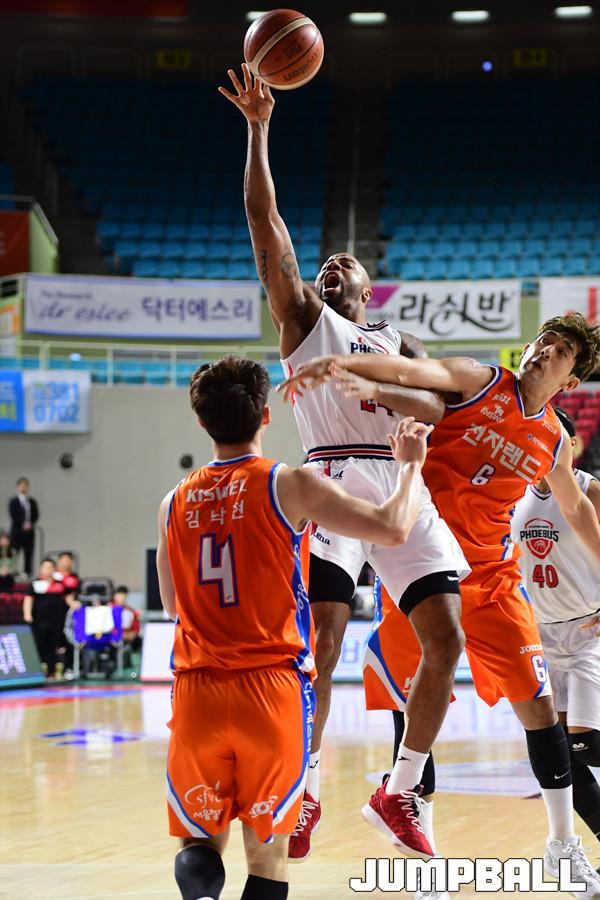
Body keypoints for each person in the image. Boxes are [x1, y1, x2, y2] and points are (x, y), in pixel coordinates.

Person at [219, 63, 469, 862]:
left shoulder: (401, 344)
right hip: (329, 483)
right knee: (321, 646)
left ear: (369, 286)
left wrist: (378, 387)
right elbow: (265, 224)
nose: (331, 268)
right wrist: (259, 129)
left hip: (400, 479)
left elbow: (439, 409)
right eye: (324, 264)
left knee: (447, 641)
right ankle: (306, 790)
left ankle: (400, 789)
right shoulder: (304, 319)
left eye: (345, 265)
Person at [282, 313, 600, 890]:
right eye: (542, 341)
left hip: (493, 579)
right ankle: (408, 831)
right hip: (423, 567)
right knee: (412, 702)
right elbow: (414, 371)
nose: (543, 351)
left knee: (539, 709)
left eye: (559, 351)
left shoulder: (554, 438)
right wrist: (342, 363)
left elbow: (577, 509)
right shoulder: (482, 379)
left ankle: (562, 845)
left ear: (571, 380)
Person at [156, 355, 432, 900]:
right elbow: (393, 528)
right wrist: (409, 466)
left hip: (197, 690)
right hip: (270, 689)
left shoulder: (173, 501)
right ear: (265, 415)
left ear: (201, 422)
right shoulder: (289, 484)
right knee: (267, 856)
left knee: (198, 842)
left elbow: (172, 606)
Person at [511, 405, 600, 848]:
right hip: (541, 633)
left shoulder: (589, 490)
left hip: (588, 629)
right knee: (562, 755)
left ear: (571, 446)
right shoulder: (512, 494)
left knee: (585, 744)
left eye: (552, 440)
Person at [23, 557, 70, 678]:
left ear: (54, 569)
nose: (47, 569)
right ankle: (35, 672)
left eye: (50, 567)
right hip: (39, 622)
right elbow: (28, 600)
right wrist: (27, 614)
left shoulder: (60, 584)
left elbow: (68, 598)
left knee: (53, 646)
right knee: (39, 645)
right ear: (41, 569)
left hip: (56, 621)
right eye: (45, 567)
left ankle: (52, 672)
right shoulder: (35, 583)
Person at [8, 477, 39, 577]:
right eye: (21, 485)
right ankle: (12, 572)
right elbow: (13, 514)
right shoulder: (13, 501)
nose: (23, 487)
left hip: (29, 532)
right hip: (17, 532)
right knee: (14, 552)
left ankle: (27, 573)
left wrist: (30, 523)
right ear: (17, 487)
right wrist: (23, 524)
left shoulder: (32, 501)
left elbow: (35, 514)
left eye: (25, 485)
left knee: (28, 553)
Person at [110, 585, 141, 652]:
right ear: (114, 596)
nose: (122, 598)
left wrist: (130, 635)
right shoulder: (108, 609)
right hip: (110, 639)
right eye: (119, 595)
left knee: (138, 641)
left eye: (124, 595)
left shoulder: (130, 611)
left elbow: (135, 630)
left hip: (126, 638)